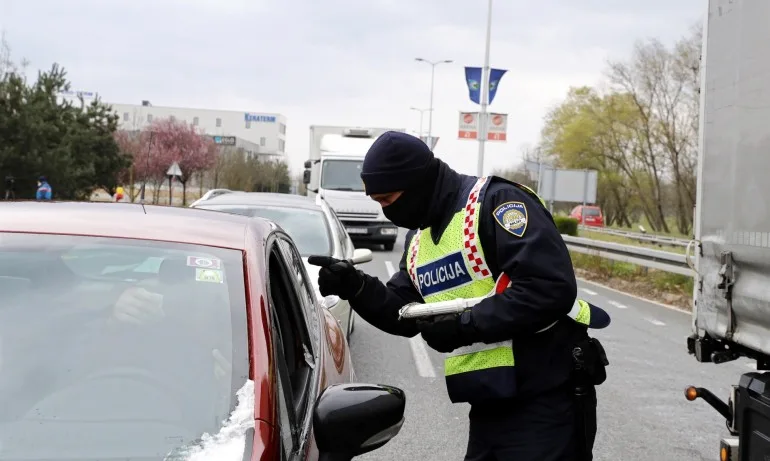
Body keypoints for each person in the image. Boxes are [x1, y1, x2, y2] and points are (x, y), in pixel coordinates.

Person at [308, 132, 610, 461]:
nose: (387, 211)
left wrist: (466, 324)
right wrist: (357, 286)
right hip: (490, 404)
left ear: (418, 183)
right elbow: (404, 313)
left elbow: (549, 287)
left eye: (389, 200)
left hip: (548, 399)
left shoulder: (497, 204)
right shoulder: (419, 241)